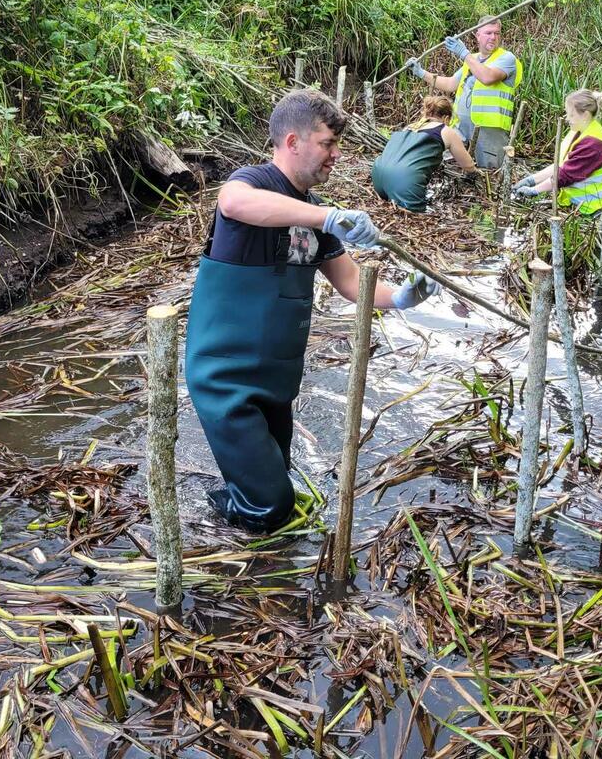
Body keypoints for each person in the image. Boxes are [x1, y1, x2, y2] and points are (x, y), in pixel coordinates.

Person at [186, 89, 441, 531]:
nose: (335, 155)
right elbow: (232, 202)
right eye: (327, 144)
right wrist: (323, 218)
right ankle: (220, 551)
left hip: (274, 379)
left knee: (274, 483)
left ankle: (230, 524)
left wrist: (402, 297)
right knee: (269, 506)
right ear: (292, 142)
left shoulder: (315, 213)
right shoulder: (256, 182)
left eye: (336, 145)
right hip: (226, 378)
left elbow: (350, 283)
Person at [404, 16, 522, 170]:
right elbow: (450, 84)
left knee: (489, 173)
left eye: (497, 33)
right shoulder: (472, 59)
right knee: (452, 169)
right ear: (477, 35)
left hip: (489, 131)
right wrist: (420, 72)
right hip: (462, 128)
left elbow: (487, 77)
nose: (493, 37)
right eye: (488, 33)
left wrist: (463, 53)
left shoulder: (506, 58)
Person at [512, 88, 602, 214]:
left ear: (585, 115)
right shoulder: (578, 132)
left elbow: (565, 175)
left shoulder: (594, 144)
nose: (567, 118)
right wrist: (531, 180)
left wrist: (535, 190)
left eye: (571, 115)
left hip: (598, 208)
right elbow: (560, 165)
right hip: (581, 205)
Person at [371, 95, 477, 212]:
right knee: (416, 220)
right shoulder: (445, 130)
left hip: (378, 175)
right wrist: (476, 173)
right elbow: (468, 165)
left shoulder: (409, 127)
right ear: (446, 118)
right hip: (405, 180)